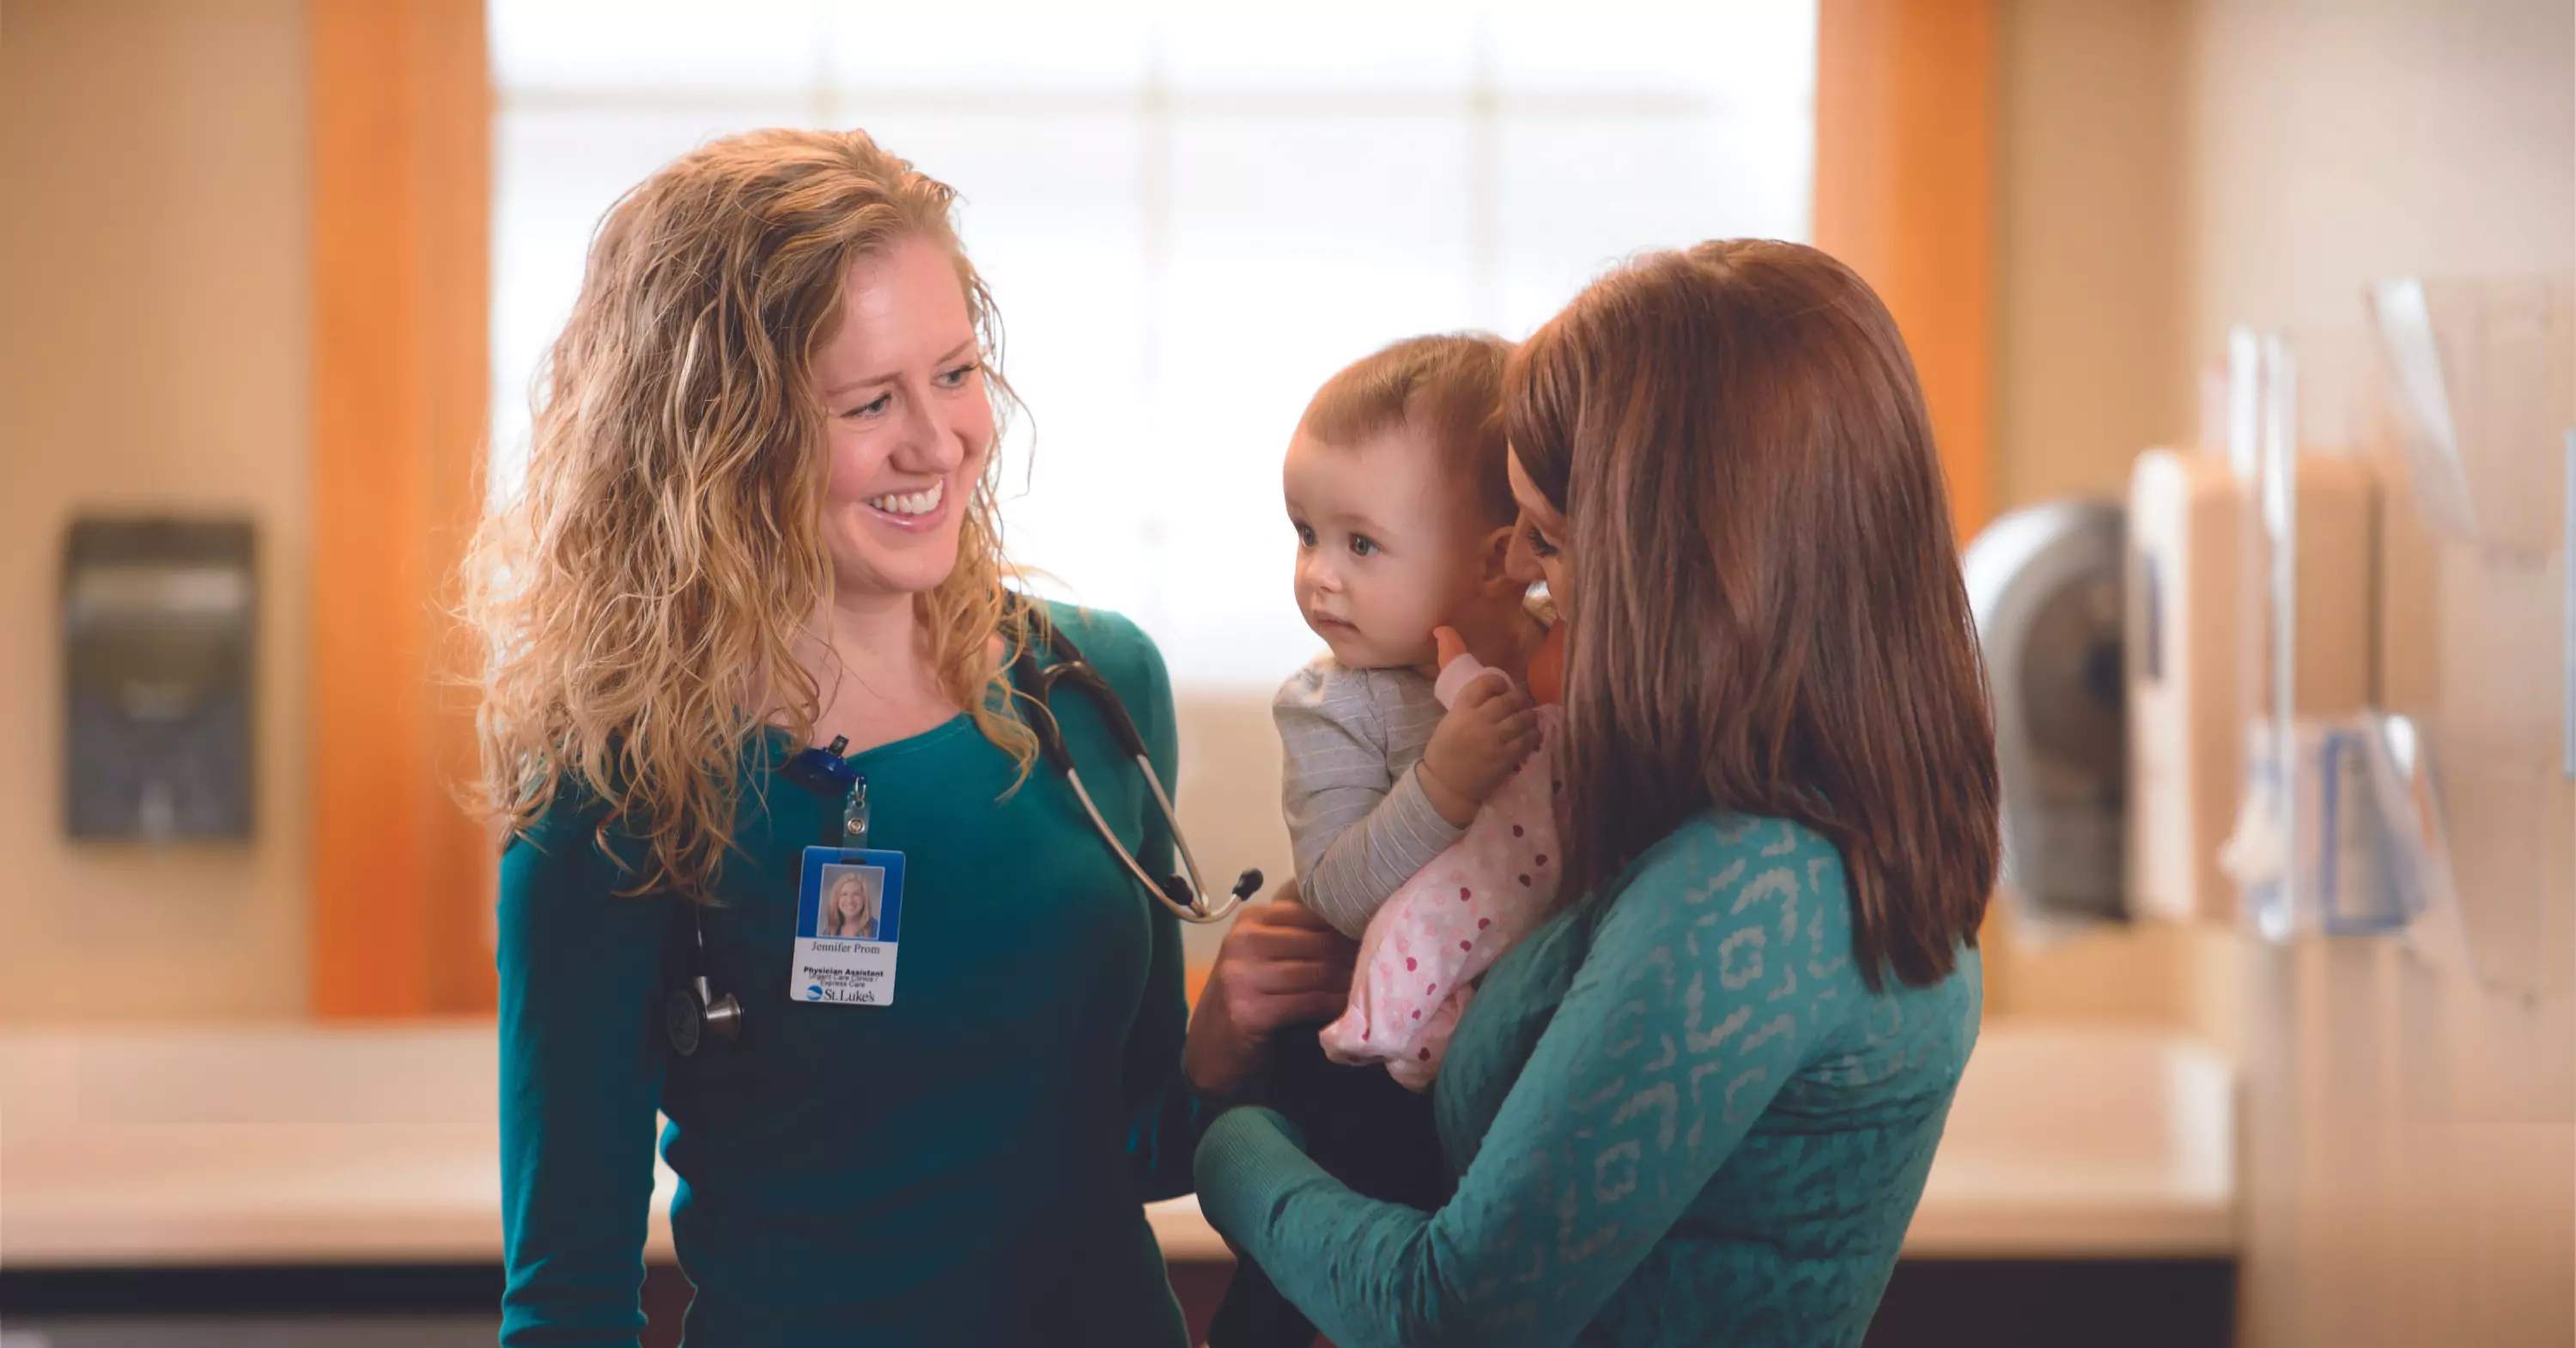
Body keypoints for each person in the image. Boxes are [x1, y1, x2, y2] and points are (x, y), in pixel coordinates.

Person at [1187, 239, 2002, 1348]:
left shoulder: (1754, 884)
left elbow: (1456, 1312)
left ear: (1682, 561)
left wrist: (1229, 1139)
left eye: (1554, 538)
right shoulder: (1755, 826)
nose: (1522, 567)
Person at [470, 128, 1200, 1346]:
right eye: (869, 402)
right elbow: (568, 1301)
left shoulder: (1092, 686)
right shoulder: (616, 798)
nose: (939, 441)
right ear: (721, 438)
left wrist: (1253, 1039)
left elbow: (1141, 1139)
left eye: (957, 373)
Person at [1211, 334, 1557, 1348]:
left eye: (1361, 544)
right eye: (1305, 532)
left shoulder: (1562, 671)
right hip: (1364, 1060)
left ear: (1498, 557)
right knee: (1301, 1295)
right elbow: (1337, 889)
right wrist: (1442, 782)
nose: (1318, 576)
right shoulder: (1332, 709)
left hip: (1504, 1055)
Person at [821, 869, 878, 939]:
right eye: (844, 894)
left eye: (856, 894)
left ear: (864, 899)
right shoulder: (828, 932)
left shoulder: (877, 929)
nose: (850, 900)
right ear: (836, 899)